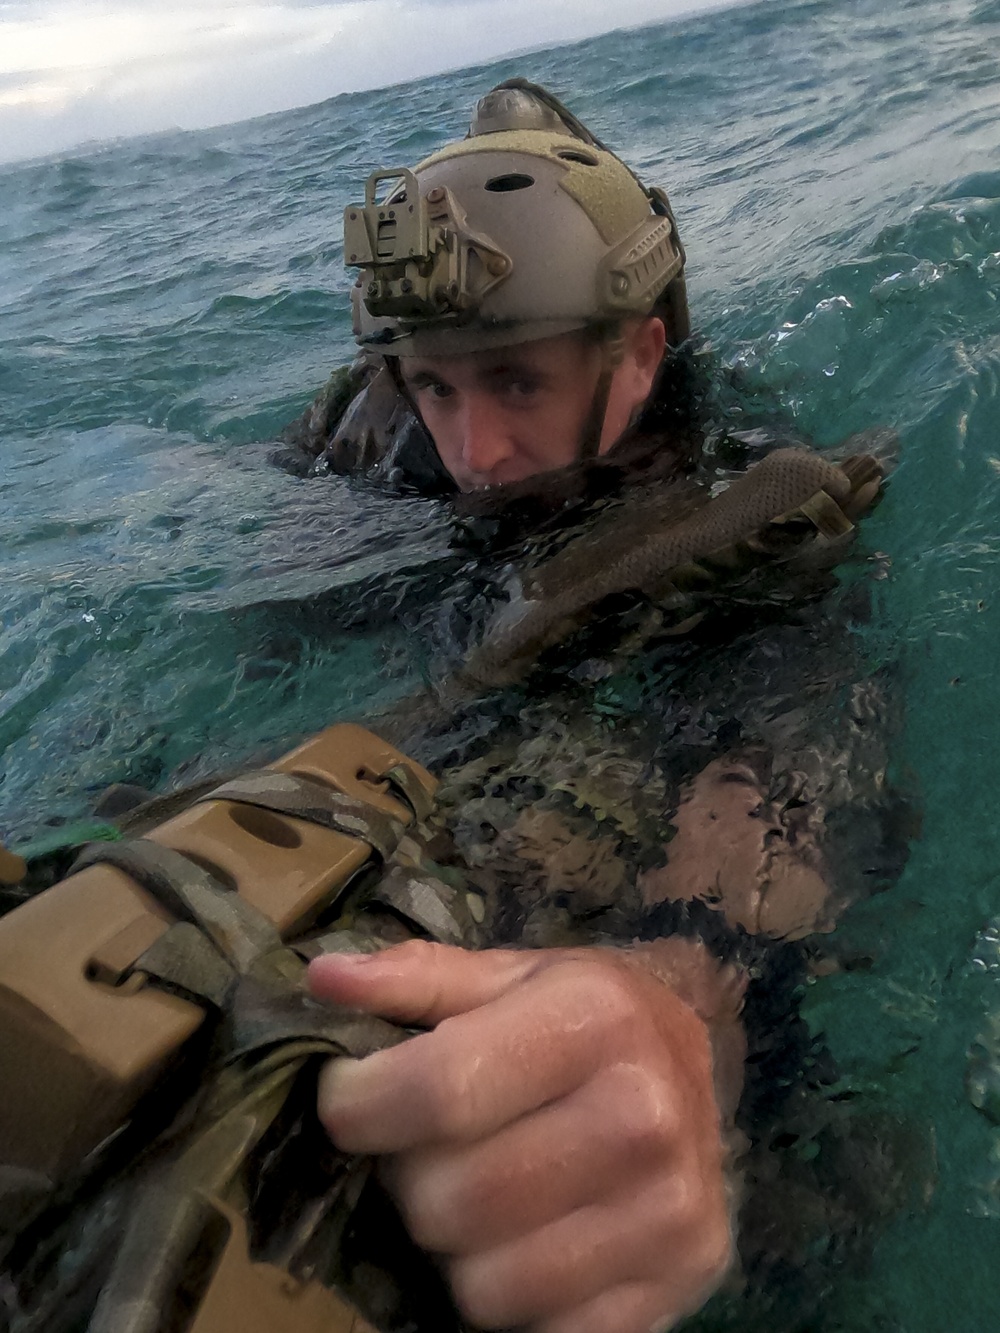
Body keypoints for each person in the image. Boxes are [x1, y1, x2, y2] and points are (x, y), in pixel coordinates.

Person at [295, 81, 905, 1333]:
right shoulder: (369, 442)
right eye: (436, 390)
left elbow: (799, 724)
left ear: (638, 354)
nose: (472, 452)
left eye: (515, 384)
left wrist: (685, 984)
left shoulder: (733, 484)